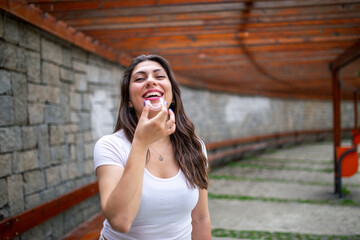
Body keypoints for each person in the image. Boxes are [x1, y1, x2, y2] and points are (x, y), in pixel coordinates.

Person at [93, 54, 211, 240]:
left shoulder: (194, 146)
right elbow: (120, 221)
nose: (150, 81)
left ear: (171, 96)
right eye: (140, 78)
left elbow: (200, 219)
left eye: (159, 76)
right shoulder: (110, 146)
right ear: (130, 101)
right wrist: (141, 143)